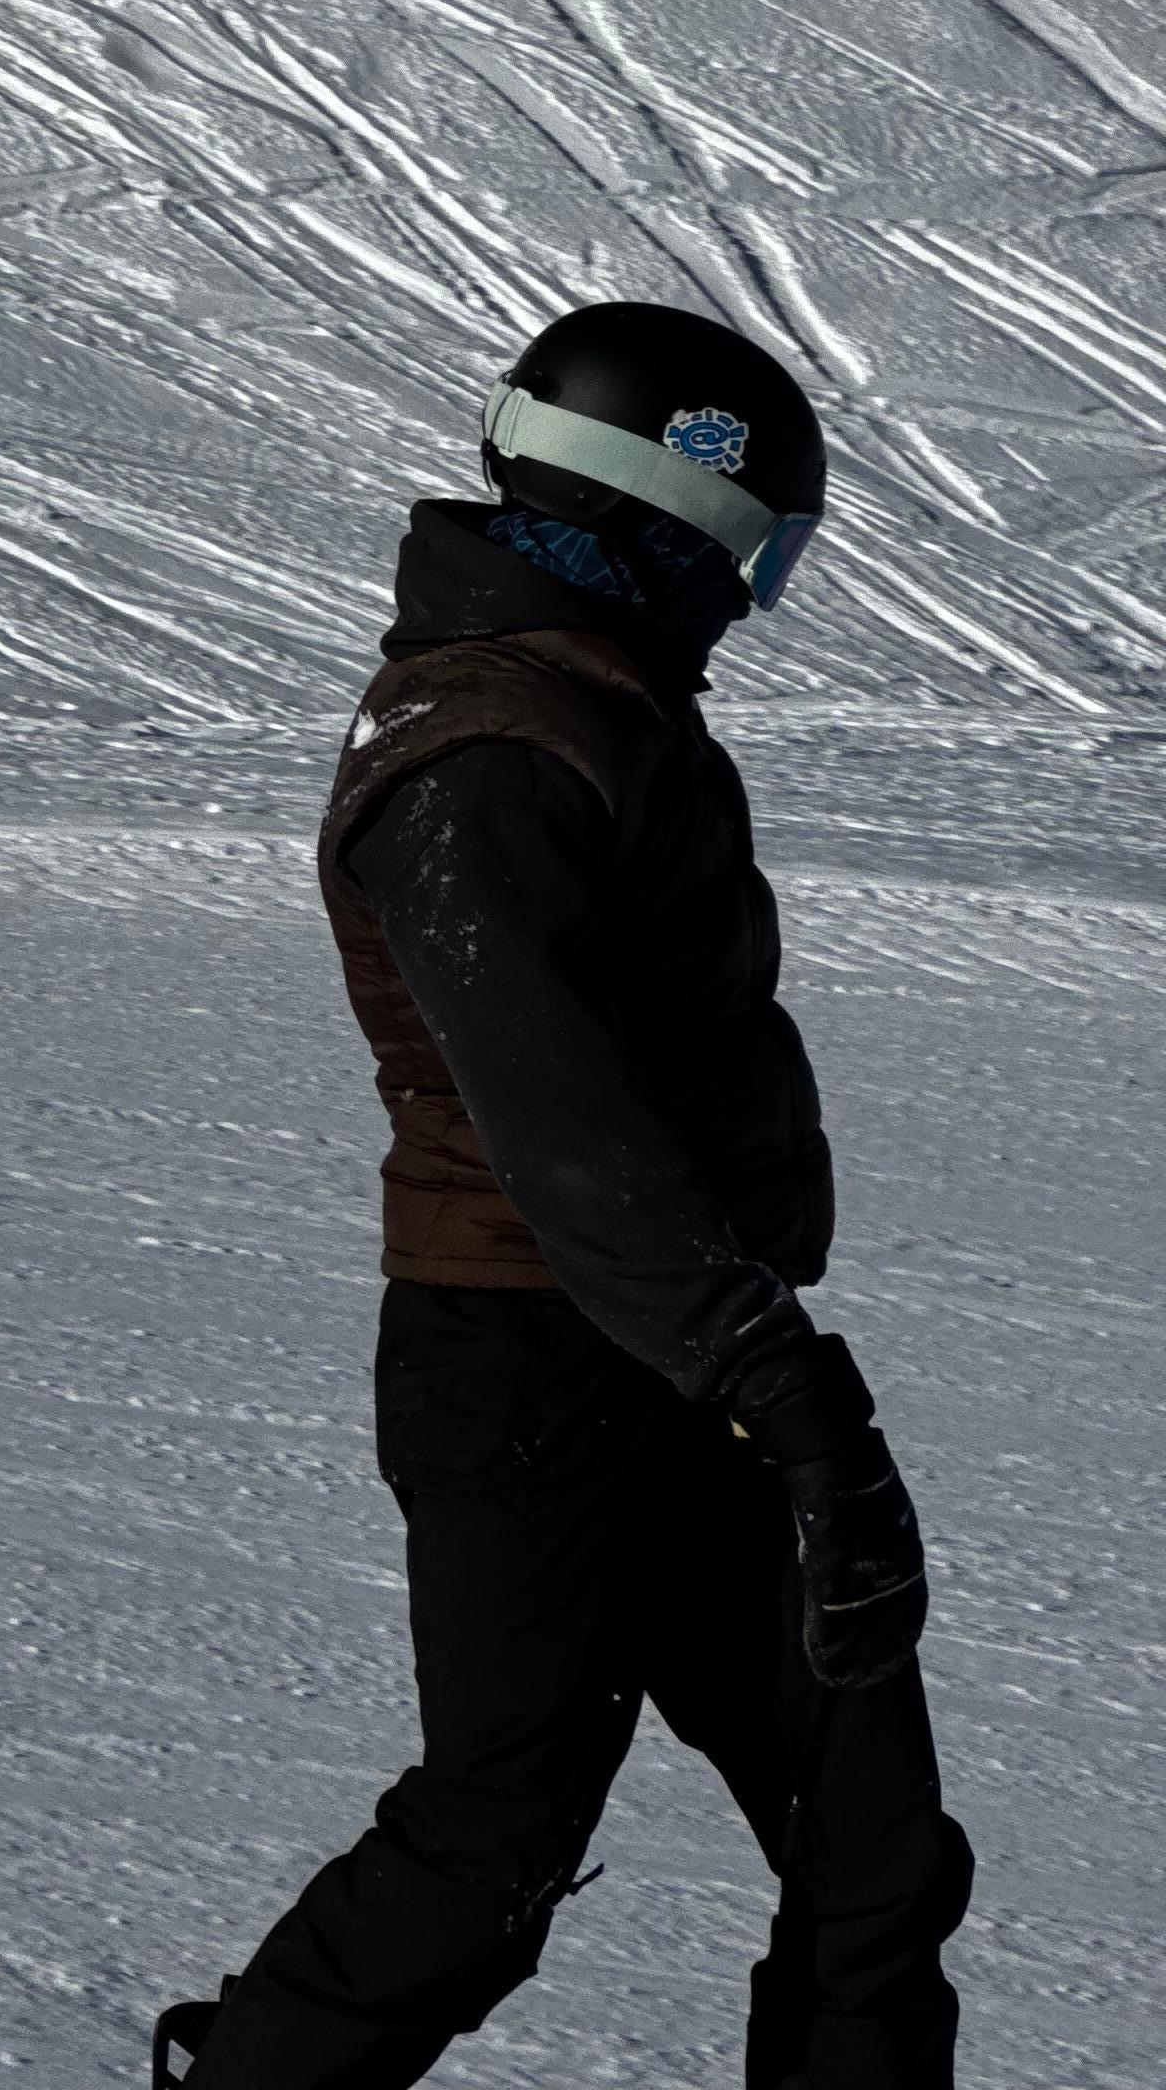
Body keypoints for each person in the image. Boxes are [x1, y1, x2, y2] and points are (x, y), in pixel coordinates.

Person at [157, 302, 972, 2090]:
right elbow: (562, 1131)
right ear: (657, 517)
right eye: (749, 558)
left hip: (678, 1349)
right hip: (532, 1362)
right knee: (491, 1849)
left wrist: (752, 1372)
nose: (746, 606)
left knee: (873, 1847)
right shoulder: (486, 754)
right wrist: (790, 1391)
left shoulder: (592, 707)